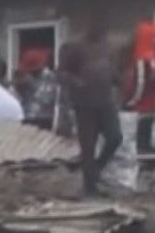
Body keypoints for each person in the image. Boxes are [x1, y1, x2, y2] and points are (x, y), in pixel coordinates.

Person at [63, 25, 124, 196]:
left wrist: (118, 81)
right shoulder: (75, 48)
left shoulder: (108, 49)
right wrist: (78, 83)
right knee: (88, 147)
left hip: (106, 102)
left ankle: (96, 169)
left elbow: (114, 74)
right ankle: (90, 188)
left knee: (115, 137)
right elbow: (63, 73)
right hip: (85, 105)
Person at [15, 49, 62, 132]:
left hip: (44, 119)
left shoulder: (52, 79)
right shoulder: (24, 78)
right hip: (25, 118)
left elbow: (48, 99)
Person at [127, 20, 155, 156]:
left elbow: (140, 82)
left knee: (142, 128)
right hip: (151, 101)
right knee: (147, 126)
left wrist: (133, 100)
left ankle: (143, 149)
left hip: (144, 102)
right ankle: (146, 148)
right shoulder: (152, 57)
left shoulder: (142, 59)